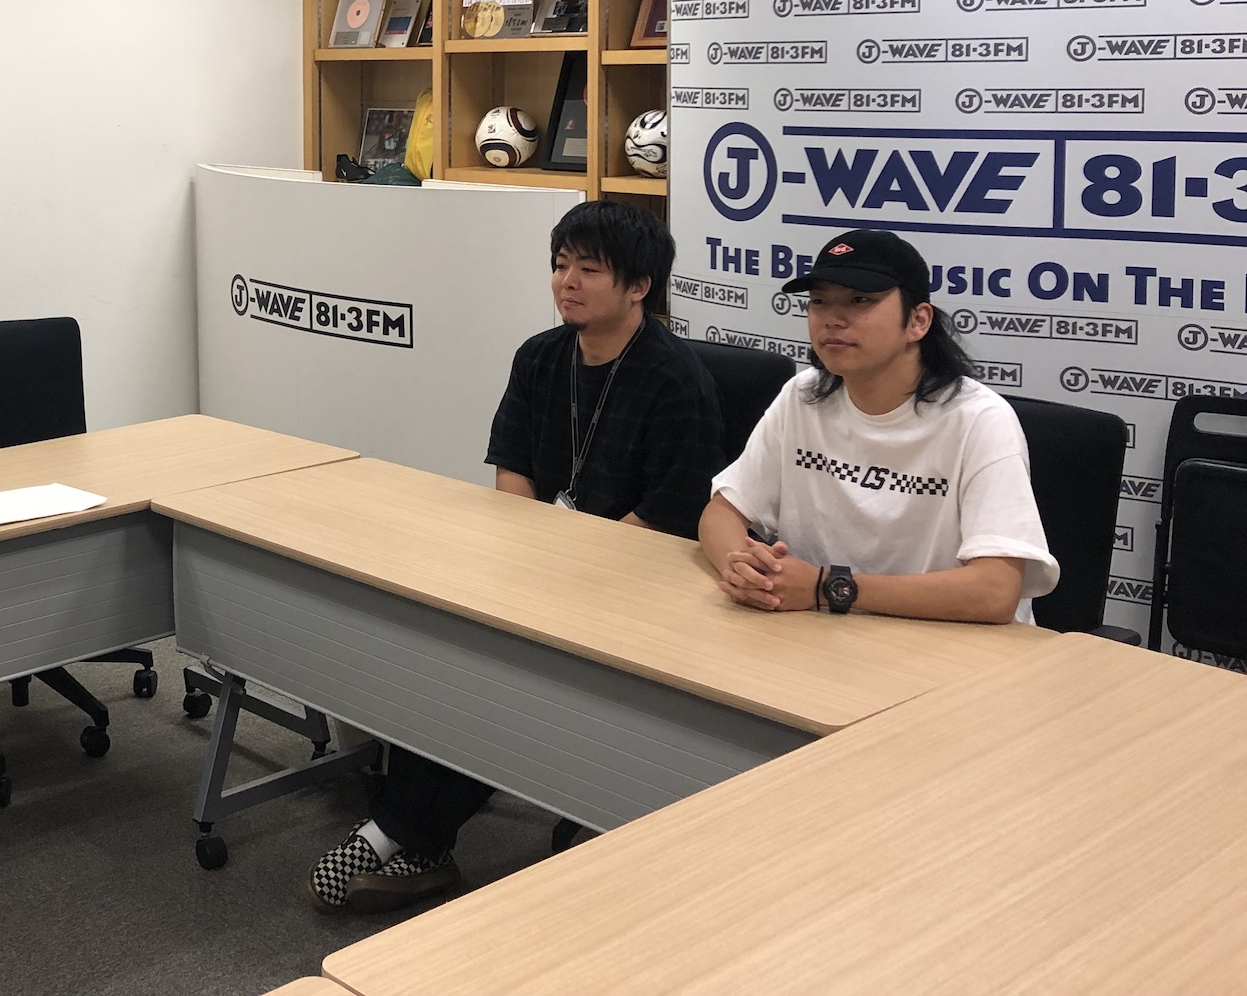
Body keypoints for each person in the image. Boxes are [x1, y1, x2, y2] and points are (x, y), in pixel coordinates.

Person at [308, 200, 725, 914]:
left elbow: (671, 514)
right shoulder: (540, 356)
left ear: (638, 286)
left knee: (499, 665)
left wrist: (568, 567)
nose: (567, 282)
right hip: (543, 566)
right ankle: (412, 826)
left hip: (634, 584)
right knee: (445, 629)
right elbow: (512, 471)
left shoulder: (674, 378)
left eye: (588, 269)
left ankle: (403, 833)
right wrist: (530, 557)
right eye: (560, 265)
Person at [699, 228, 1058, 625]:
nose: (832, 319)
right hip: (818, 633)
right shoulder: (803, 396)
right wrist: (746, 571)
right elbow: (721, 514)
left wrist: (826, 587)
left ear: (918, 321)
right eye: (818, 302)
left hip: (947, 643)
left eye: (860, 300)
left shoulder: (978, 419)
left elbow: (995, 592)